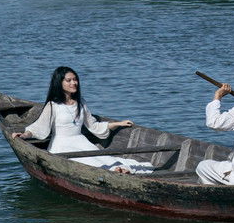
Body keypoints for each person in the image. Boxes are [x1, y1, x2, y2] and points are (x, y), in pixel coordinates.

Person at [12, 66, 154, 174]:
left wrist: (118, 124)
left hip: (81, 142)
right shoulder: (53, 105)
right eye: (69, 80)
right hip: (62, 145)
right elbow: (39, 127)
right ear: (59, 83)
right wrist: (24, 135)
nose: (73, 83)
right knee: (86, 162)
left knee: (103, 159)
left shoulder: (80, 103)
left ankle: (118, 170)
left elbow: (93, 125)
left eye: (75, 79)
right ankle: (114, 173)